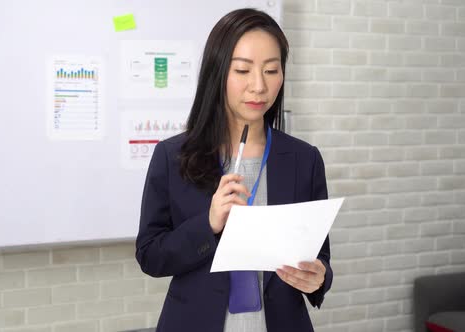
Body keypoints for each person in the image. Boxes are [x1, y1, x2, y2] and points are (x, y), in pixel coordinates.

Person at [135, 8, 332, 332]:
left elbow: (320, 254)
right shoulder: (173, 156)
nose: (259, 86)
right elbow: (151, 256)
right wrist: (208, 224)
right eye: (243, 70)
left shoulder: (304, 158)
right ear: (218, 73)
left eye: (272, 70)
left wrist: (319, 277)